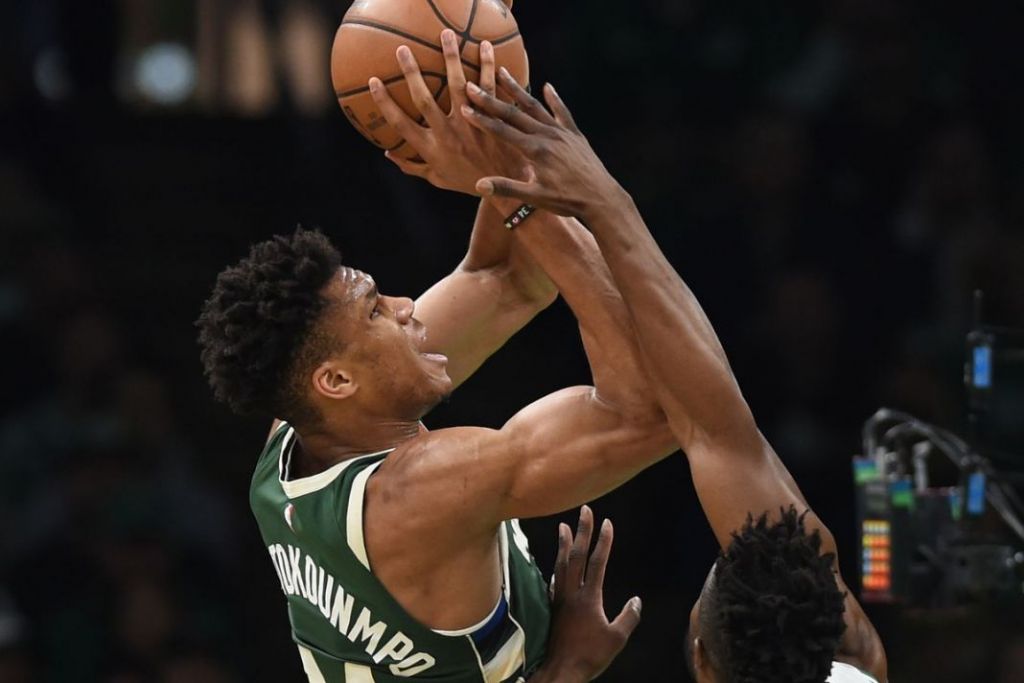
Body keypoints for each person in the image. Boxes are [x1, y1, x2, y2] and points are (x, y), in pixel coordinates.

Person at [196, 31, 673, 682]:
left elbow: (504, 280)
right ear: (336, 379)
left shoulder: (295, 433)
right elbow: (652, 412)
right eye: (374, 310)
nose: (404, 305)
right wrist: (564, 672)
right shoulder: (421, 491)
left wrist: (489, 94)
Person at [447, 68, 890, 683]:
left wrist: (600, 202)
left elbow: (713, 420)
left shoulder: (861, 660)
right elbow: (709, 423)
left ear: (703, 662)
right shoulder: (852, 665)